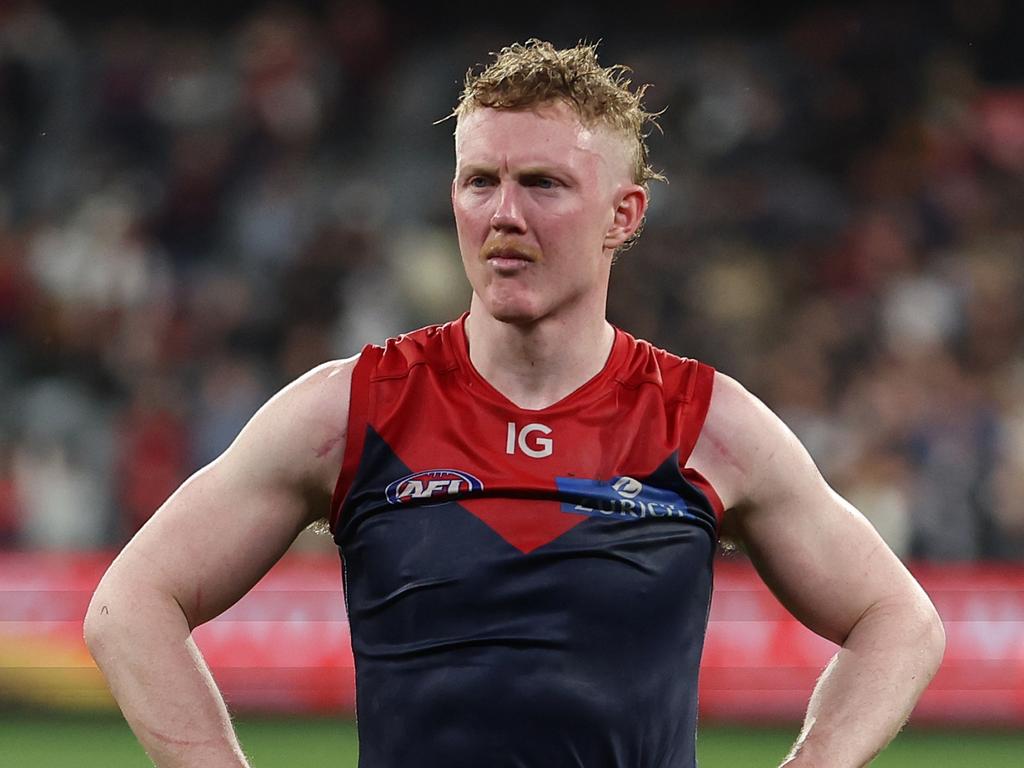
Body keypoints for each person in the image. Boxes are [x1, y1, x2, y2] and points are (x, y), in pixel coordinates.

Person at [84, 40, 945, 768]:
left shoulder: (706, 421)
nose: (502, 213)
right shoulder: (353, 408)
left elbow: (898, 620)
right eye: (478, 181)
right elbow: (131, 606)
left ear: (623, 214)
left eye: (542, 183)